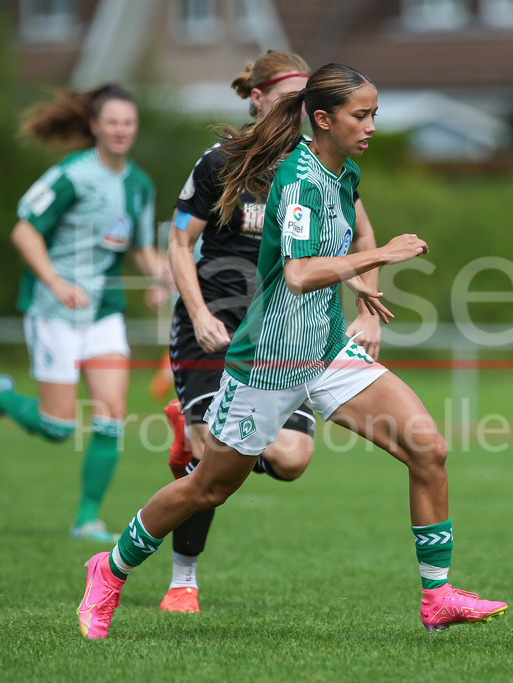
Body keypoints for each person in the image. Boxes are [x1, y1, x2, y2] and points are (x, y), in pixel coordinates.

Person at [76, 63, 508, 640]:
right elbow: (301, 274)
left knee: (428, 448)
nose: (372, 125)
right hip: (270, 360)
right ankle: (108, 568)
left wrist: (358, 287)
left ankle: (438, 596)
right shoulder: (299, 177)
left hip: (326, 350)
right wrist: (377, 259)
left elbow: (317, 255)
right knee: (208, 487)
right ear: (324, 119)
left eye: (375, 113)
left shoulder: (344, 173)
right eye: (362, 115)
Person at [158, 50, 383, 613]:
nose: (299, 107)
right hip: (220, 324)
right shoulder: (221, 163)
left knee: (291, 460)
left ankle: (197, 441)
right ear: (257, 99)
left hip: (289, 332)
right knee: (212, 452)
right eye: (288, 96)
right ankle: (183, 579)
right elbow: (180, 243)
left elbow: (363, 240)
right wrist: (200, 313)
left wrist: (369, 310)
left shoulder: (322, 167)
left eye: (306, 97)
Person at [0, 84, 167, 542]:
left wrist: (158, 280)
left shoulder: (139, 185)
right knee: (58, 427)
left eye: (128, 123)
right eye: (112, 122)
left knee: (111, 415)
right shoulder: (71, 175)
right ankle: (1, 400)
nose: (121, 130)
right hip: (53, 308)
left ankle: (88, 519)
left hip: (104, 312)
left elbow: (139, 245)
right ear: (95, 126)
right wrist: (57, 283)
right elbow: (24, 232)